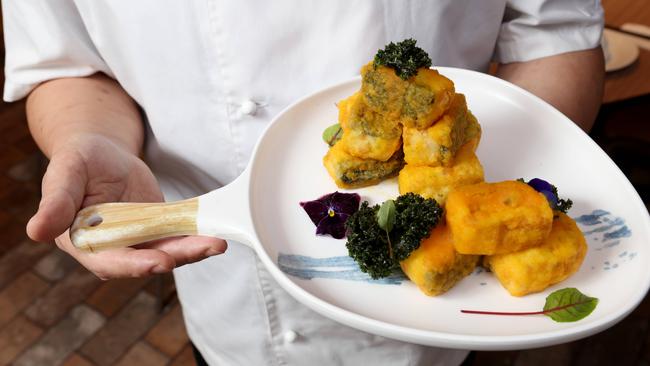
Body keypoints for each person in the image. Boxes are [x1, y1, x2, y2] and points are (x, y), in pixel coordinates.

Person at [3, 1, 604, 365]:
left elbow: (555, 32)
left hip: (454, 325)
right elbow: (70, 65)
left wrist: (501, 207)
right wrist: (92, 142)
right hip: (225, 287)